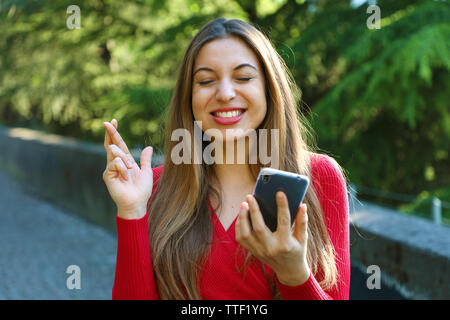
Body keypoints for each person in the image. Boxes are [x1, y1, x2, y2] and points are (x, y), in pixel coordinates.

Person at [103, 18, 350, 300]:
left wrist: (295, 274)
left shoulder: (319, 177)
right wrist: (132, 210)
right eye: (206, 81)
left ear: (270, 90)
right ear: (189, 97)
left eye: (243, 77)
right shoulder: (153, 186)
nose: (225, 94)